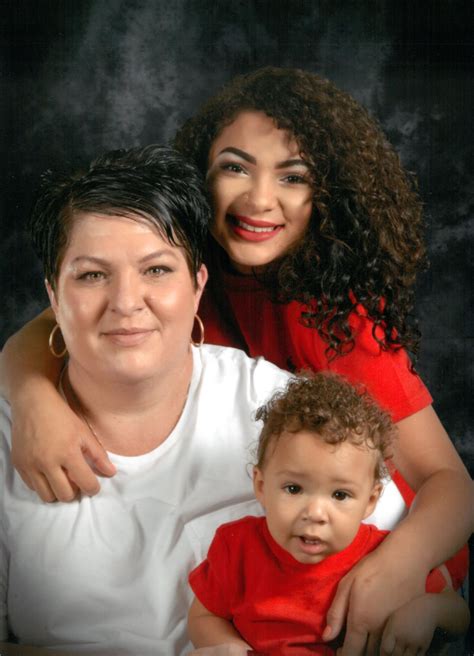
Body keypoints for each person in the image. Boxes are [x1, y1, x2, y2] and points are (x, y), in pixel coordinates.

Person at [2, 68, 473, 654]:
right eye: (235, 167)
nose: (258, 199)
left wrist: (399, 568)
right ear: (201, 179)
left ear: (328, 196)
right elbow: (56, 324)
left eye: (293, 176)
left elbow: (450, 483)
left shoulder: (335, 320)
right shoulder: (170, 266)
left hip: (390, 546)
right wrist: (32, 399)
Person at [0, 145, 297, 653]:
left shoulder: (277, 408)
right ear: (53, 296)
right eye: (92, 275)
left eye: (157, 270)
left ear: (198, 285)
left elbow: (405, 588)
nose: (125, 302)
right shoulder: (10, 434)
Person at [187, 374, 470, 655]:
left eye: (340, 495)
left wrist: (426, 613)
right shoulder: (237, 547)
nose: (315, 513)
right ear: (261, 486)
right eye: (294, 489)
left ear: (370, 500)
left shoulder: (382, 559)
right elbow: (204, 616)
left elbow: (459, 615)